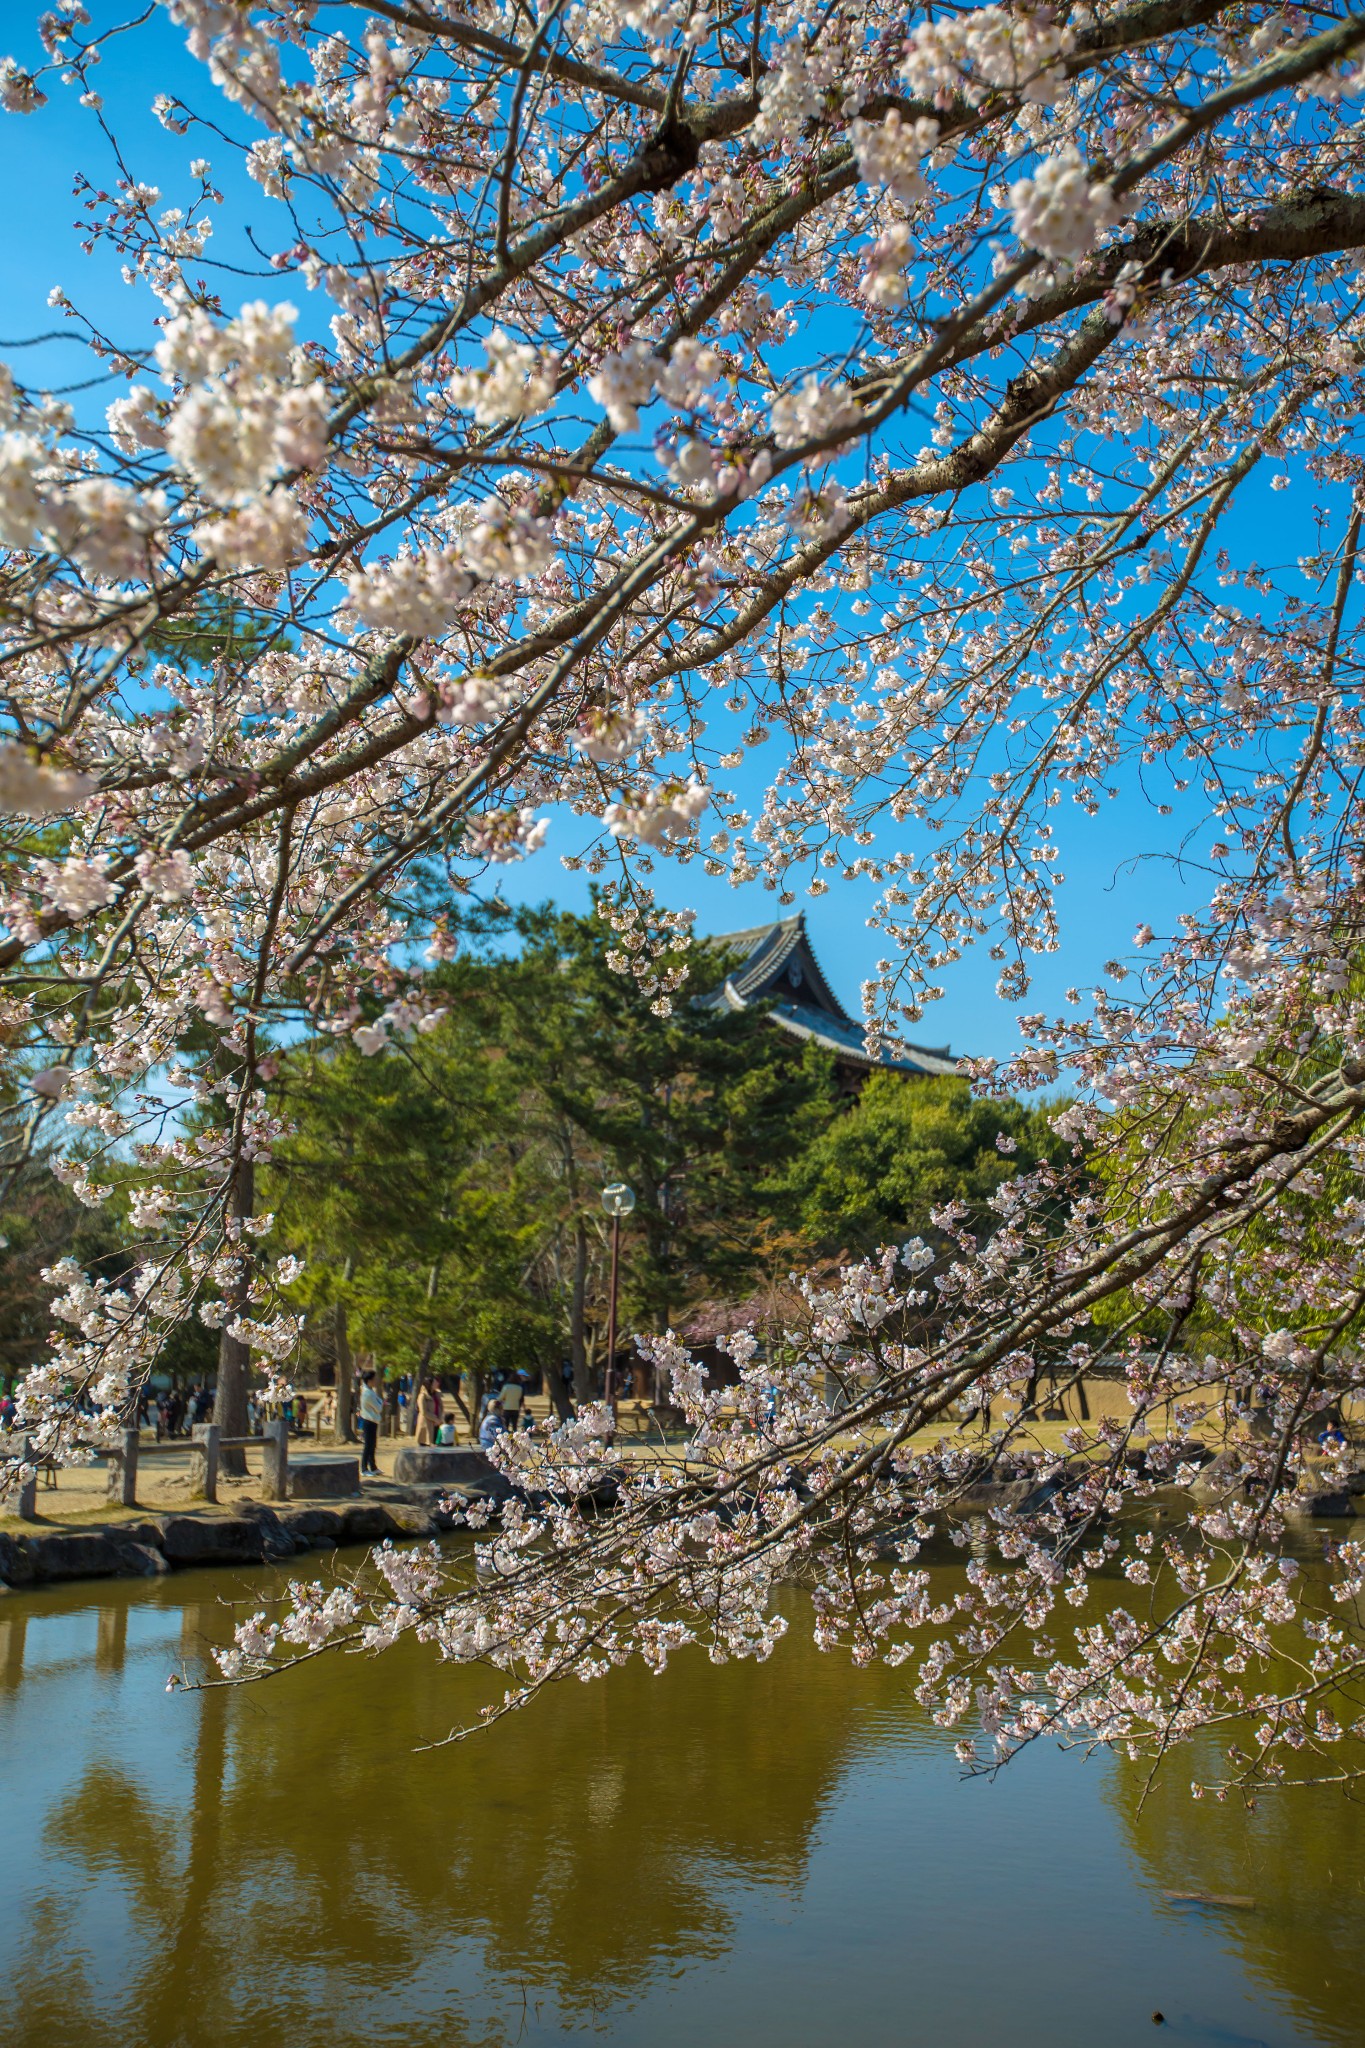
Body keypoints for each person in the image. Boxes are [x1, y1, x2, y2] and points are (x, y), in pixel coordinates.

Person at [358, 1370, 383, 1475]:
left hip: (373, 1420)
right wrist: (380, 1402)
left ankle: (373, 1467)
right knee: (368, 1445)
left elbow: (379, 1402)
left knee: (373, 1445)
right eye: (374, 1379)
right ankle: (364, 1468)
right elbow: (379, 1407)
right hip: (368, 1421)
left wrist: (380, 1402)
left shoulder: (370, 1391)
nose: (375, 1381)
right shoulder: (367, 1393)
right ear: (369, 1380)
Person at [415, 1376, 437, 1447]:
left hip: (430, 1424)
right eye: (434, 1383)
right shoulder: (422, 1396)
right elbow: (423, 1412)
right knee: (423, 1446)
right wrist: (435, 1419)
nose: (435, 1384)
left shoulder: (432, 1395)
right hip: (424, 1425)